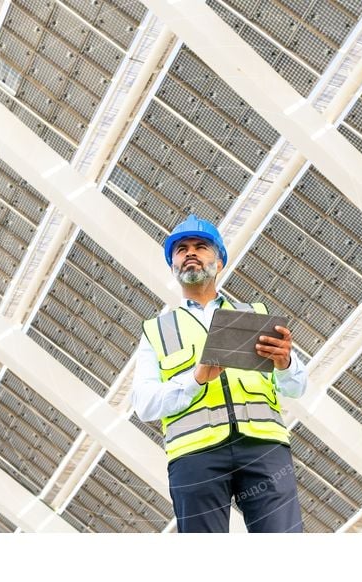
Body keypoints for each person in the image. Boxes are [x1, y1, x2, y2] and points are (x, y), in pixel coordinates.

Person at [131, 214, 307, 533]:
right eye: (181, 249)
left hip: (263, 446)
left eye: (201, 246)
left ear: (220, 261)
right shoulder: (157, 330)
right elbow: (144, 404)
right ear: (173, 265)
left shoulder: (255, 314)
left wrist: (285, 363)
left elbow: (297, 387)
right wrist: (196, 379)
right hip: (195, 455)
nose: (191, 253)